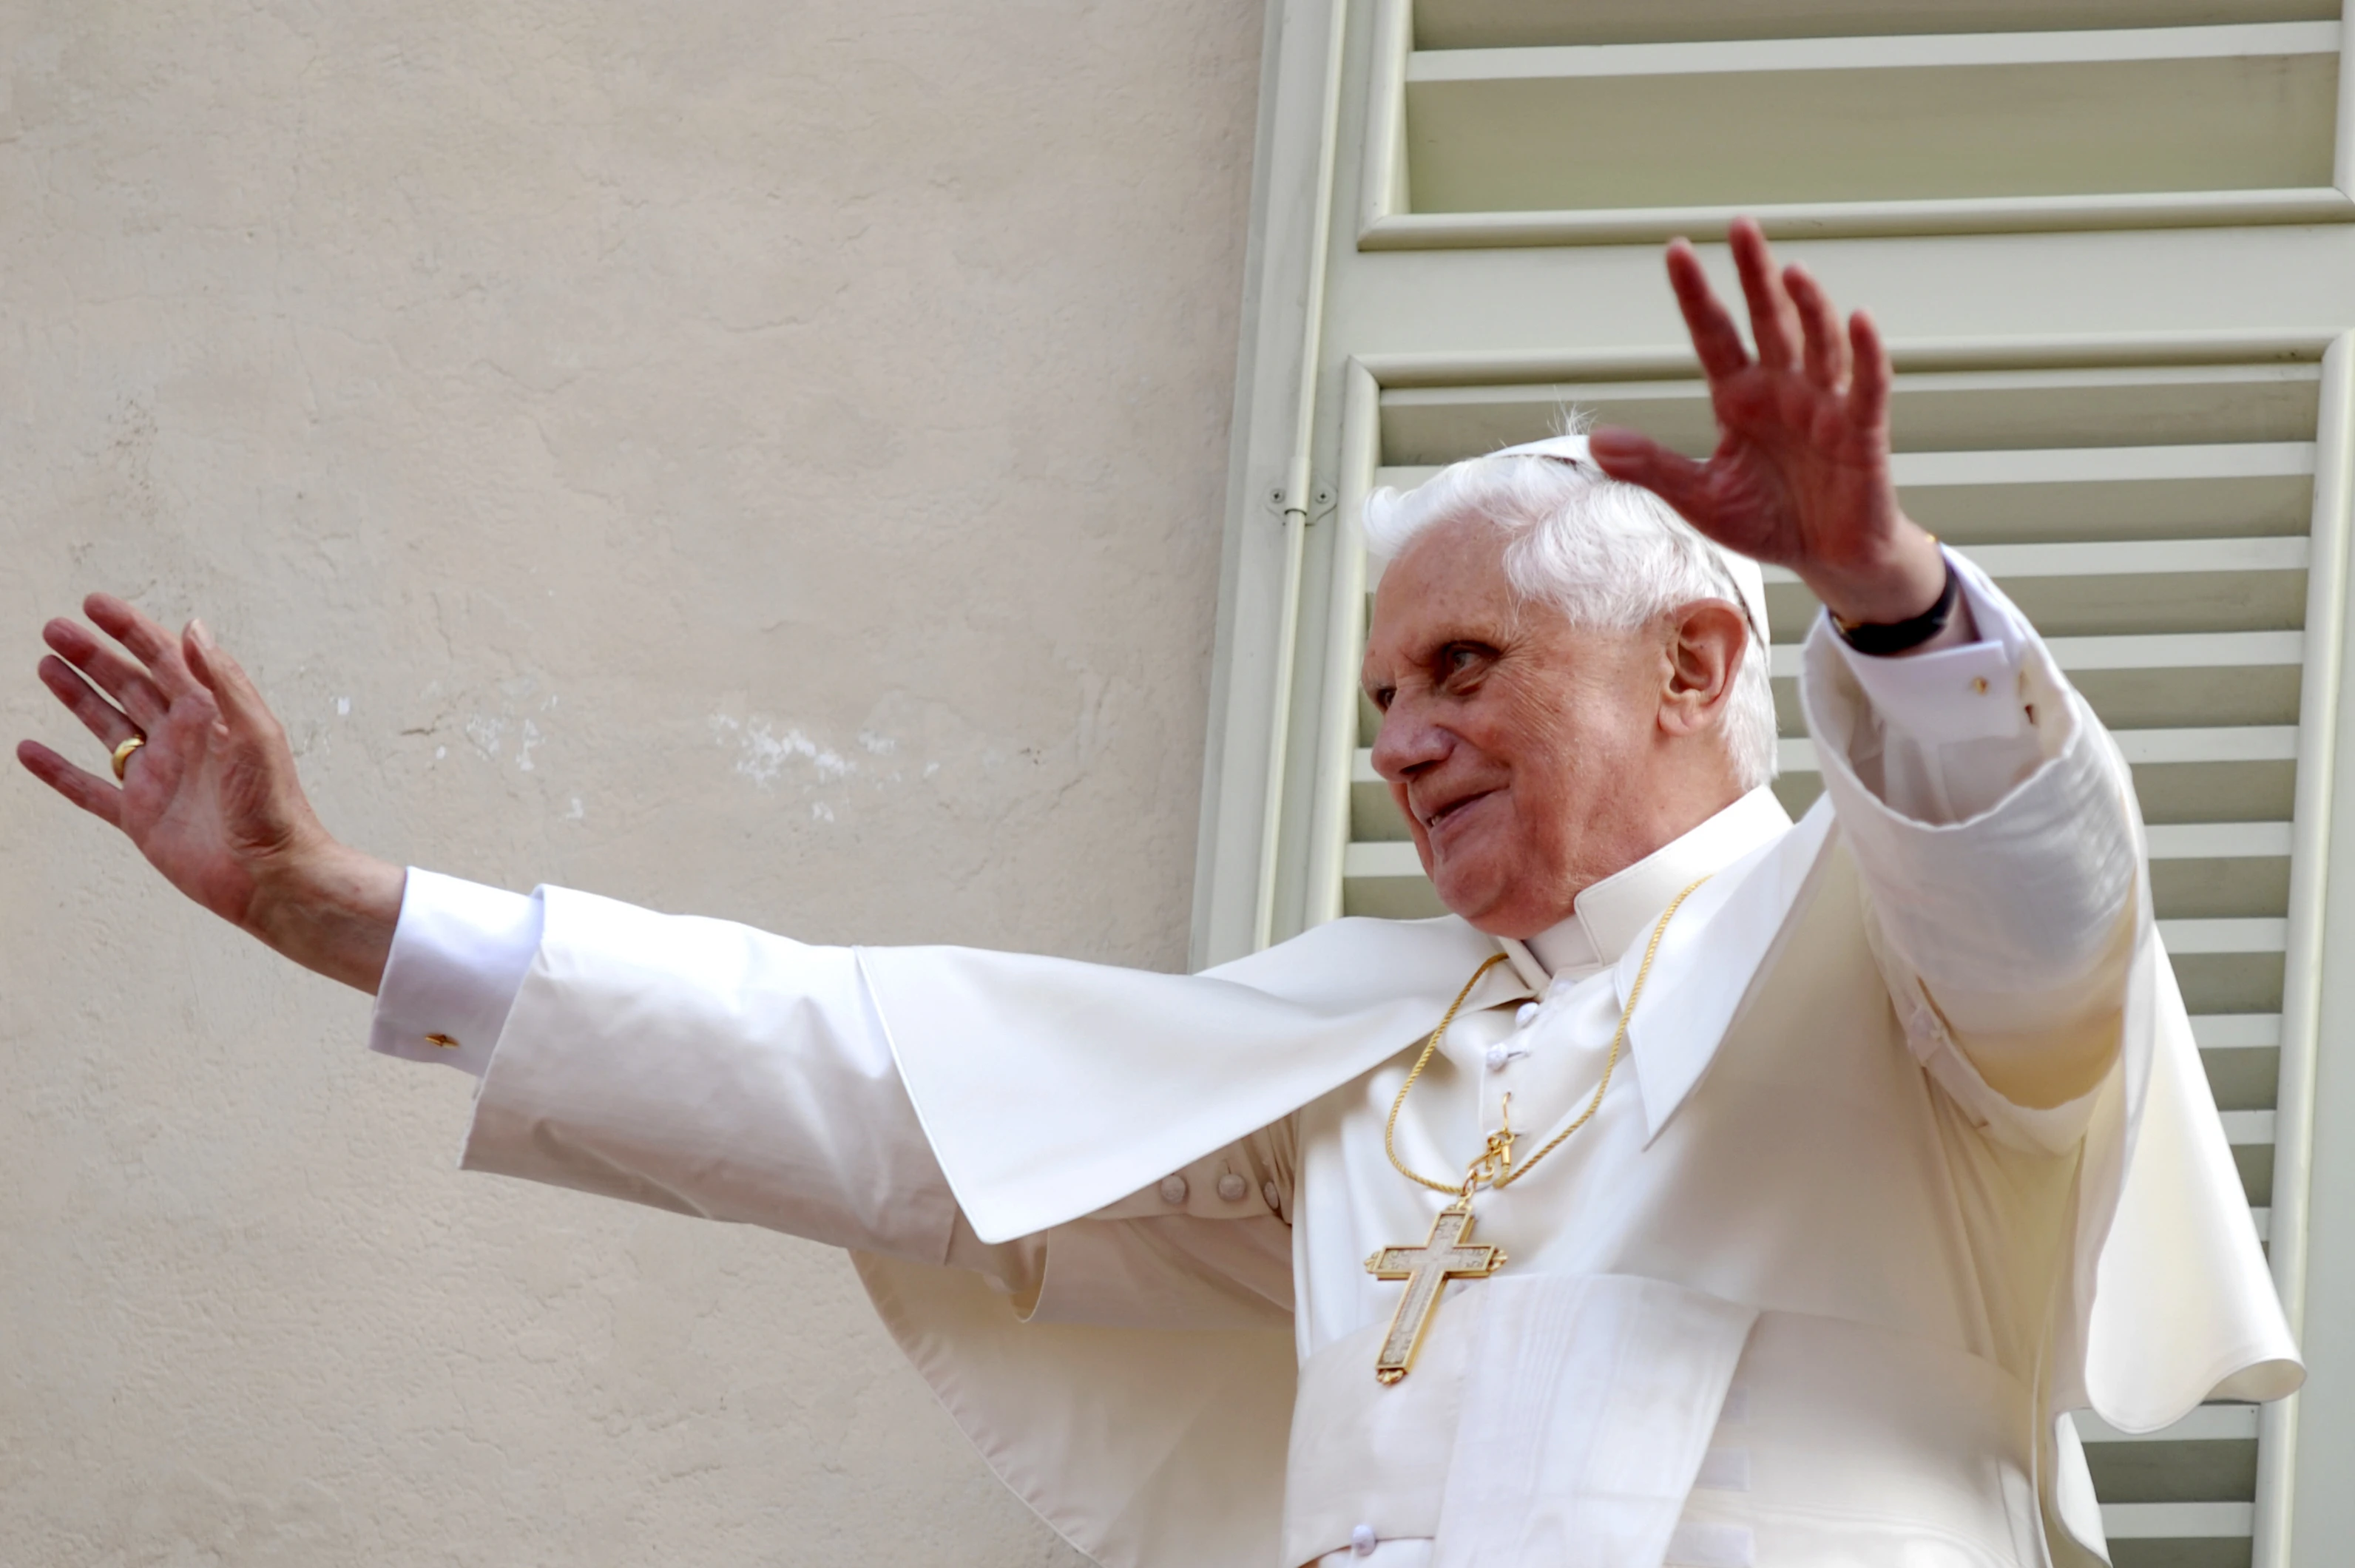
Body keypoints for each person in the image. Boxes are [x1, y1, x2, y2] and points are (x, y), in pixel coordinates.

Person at [18, 220, 2297, 1568]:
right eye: (1384, 690)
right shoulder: (1353, 1044)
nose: (1400, 741)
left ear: (1705, 660)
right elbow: (868, 1078)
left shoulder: (1887, 952)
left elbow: (2034, 912)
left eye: (1467, 667)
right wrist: (339, 912)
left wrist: (1891, 593)